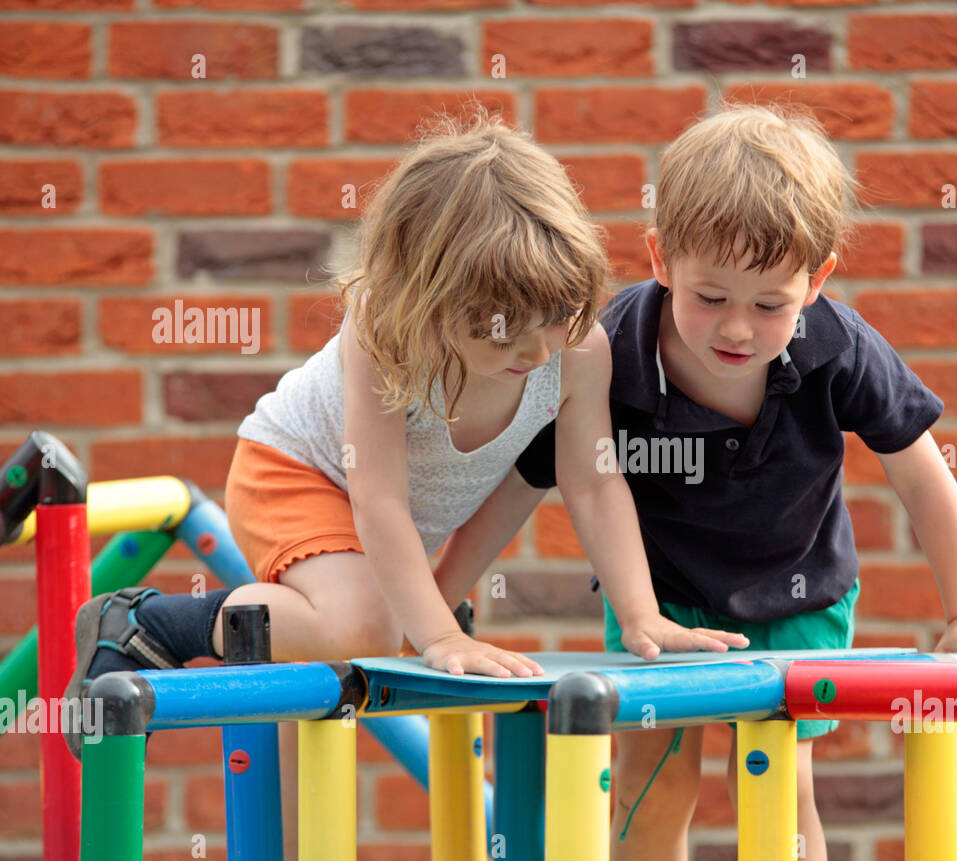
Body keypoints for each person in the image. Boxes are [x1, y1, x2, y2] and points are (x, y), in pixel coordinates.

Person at [65, 108, 745, 758]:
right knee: (365, 626)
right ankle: (152, 622)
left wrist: (641, 615)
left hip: (401, 523)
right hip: (296, 473)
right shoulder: (386, 340)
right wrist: (438, 632)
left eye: (556, 317)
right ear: (432, 302)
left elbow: (594, 482)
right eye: (502, 328)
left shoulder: (578, 351)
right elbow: (379, 497)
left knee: (371, 639)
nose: (539, 351)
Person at [513, 102, 957, 861]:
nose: (739, 329)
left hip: (800, 590)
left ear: (816, 284)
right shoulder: (613, 349)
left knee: (780, 787)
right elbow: (535, 476)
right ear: (661, 260)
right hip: (662, 596)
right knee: (652, 781)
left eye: (770, 304)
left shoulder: (837, 346)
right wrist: (439, 599)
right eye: (711, 296)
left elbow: (923, 476)